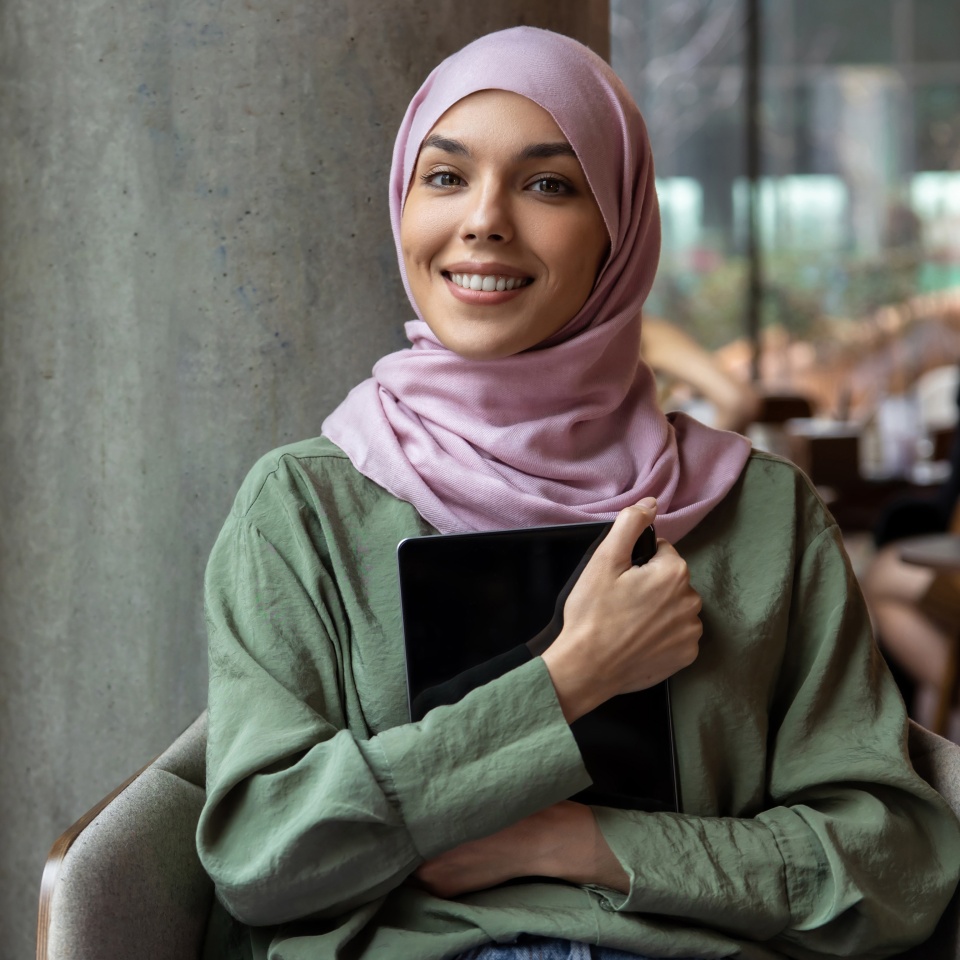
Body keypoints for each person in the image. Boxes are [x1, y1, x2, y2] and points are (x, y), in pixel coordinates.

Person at [196, 27, 960, 960]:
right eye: (445, 177)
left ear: (621, 229)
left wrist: (592, 845)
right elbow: (263, 859)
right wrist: (567, 680)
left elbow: (894, 863)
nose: (483, 219)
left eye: (548, 184)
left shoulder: (761, 513)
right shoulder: (306, 509)